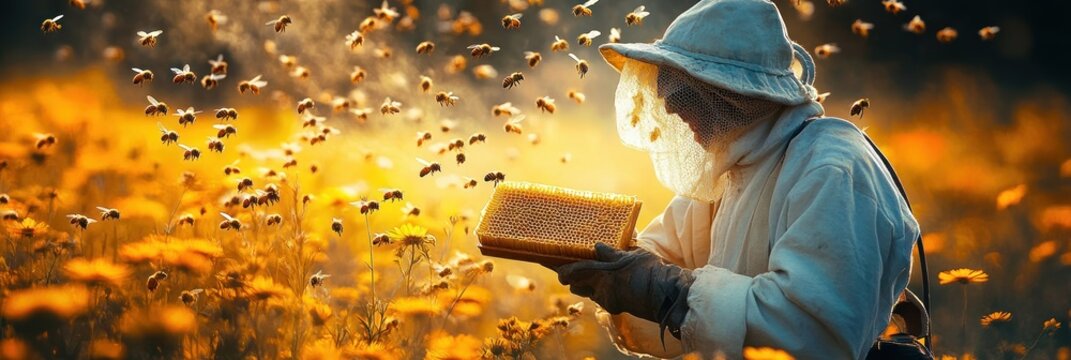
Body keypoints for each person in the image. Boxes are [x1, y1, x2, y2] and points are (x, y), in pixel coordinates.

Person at [547, 0, 922, 359]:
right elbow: (658, 254)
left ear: (734, 95)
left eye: (685, 95)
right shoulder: (733, 168)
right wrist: (596, 260)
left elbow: (813, 336)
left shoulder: (833, 170)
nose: (673, 110)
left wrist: (671, 294)